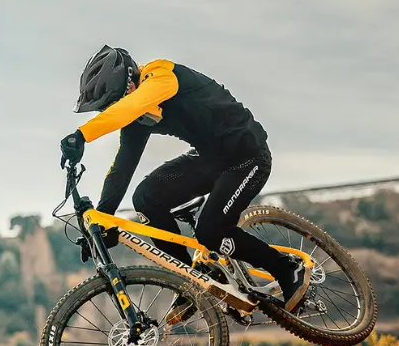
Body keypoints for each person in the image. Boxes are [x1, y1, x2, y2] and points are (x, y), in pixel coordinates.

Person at [59, 44, 309, 313]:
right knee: (145, 197)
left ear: (129, 82)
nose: (112, 109)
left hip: (247, 158)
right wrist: (104, 217)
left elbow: (134, 104)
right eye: (106, 107)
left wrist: (83, 134)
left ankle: (286, 268)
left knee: (211, 231)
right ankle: (190, 283)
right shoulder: (137, 118)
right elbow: (123, 167)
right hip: (210, 160)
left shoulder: (160, 75)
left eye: (112, 102)